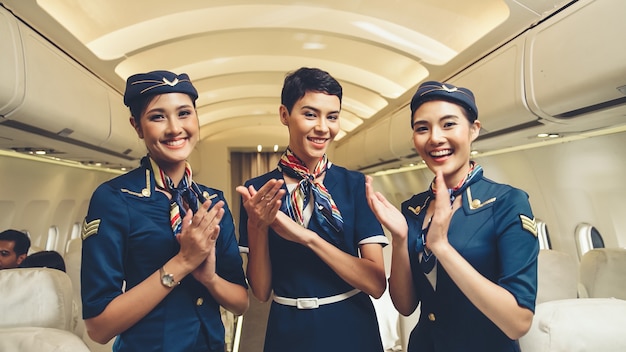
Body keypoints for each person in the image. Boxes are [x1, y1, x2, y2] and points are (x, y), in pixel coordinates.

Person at [81, 70, 249, 352]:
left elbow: (240, 302)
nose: (174, 128)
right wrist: (183, 262)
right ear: (137, 126)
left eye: (184, 113)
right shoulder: (115, 199)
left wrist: (209, 278)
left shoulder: (211, 200)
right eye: (157, 117)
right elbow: (99, 327)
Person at [365, 81, 539, 352]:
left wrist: (442, 248)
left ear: (473, 130)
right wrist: (400, 239)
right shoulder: (414, 209)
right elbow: (406, 306)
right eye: (422, 128)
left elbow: (517, 322)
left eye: (448, 124)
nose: (435, 138)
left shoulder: (507, 203)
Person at [236, 67, 388, 352]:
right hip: (287, 329)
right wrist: (257, 227)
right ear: (284, 115)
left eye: (332, 117)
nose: (323, 127)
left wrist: (308, 238)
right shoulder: (259, 191)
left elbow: (376, 284)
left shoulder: (354, 185)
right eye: (310, 114)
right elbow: (260, 290)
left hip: (351, 326)